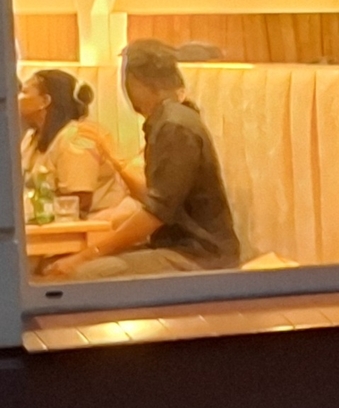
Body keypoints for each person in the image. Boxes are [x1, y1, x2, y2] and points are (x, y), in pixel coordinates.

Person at [37, 41, 239, 280]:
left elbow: (156, 213)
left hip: (199, 256)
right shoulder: (171, 118)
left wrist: (88, 254)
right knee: (55, 265)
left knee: (75, 276)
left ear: (134, 82)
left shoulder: (174, 126)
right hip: (178, 247)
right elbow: (158, 198)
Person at [16, 68, 130, 221]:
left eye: (24, 92)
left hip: (91, 231)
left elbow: (77, 203)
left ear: (44, 101)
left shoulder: (77, 138)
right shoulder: (31, 137)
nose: (16, 98)